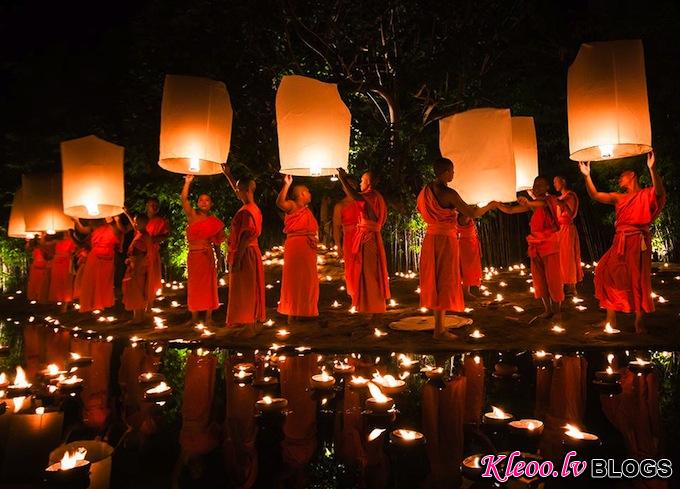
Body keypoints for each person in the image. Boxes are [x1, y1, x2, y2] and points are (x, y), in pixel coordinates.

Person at [579, 152, 666, 334]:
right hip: (620, 241)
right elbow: (595, 195)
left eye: (622, 176)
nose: (619, 179)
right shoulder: (619, 198)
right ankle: (611, 319)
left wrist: (652, 169)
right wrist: (587, 176)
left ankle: (639, 320)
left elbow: (659, 192)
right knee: (605, 271)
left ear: (632, 176)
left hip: (637, 241)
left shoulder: (645, 194)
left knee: (637, 279)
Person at [417, 158, 497, 340]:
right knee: (444, 280)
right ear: (445, 172)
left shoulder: (425, 191)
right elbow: (472, 213)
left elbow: (422, 211)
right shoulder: (449, 193)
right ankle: (439, 330)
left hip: (430, 239)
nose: (453, 174)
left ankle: (440, 325)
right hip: (445, 240)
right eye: (452, 171)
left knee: (435, 279)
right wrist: (491, 205)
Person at [498, 176, 563, 322]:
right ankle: (547, 310)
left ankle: (557, 310)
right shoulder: (534, 204)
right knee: (539, 279)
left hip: (550, 245)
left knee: (553, 278)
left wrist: (528, 201)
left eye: (541, 184)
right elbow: (510, 210)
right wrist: (496, 203)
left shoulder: (550, 200)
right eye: (535, 185)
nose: (537, 187)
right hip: (535, 245)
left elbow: (541, 204)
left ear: (547, 187)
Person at [336, 168, 390, 325]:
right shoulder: (374, 196)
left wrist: (342, 179)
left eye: (362, 180)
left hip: (369, 239)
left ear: (369, 183)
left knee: (370, 274)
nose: (360, 183)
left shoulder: (371, 196)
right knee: (367, 274)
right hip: (368, 237)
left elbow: (355, 196)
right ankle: (373, 310)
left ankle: (377, 311)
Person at [221, 164, 265, 337]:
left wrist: (238, 259)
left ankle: (249, 326)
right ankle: (247, 321)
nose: (236, 192)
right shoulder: (252, 207)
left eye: (239, 189)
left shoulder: (247, 212)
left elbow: (246, 237)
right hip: (249, 251)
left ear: (246, 190)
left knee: (247, 288)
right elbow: (239, 190)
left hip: (246, 253)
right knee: (244, 287)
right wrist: (228, 175)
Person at [181, 175, 225, 327]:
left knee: (209, 285)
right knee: (194, 285)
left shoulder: (214, 222)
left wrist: (219, 260)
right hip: (194, 256)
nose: (204, 202)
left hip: (207, 256)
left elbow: (218, 244)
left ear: (211, 204)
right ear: (197, 203)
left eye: (207, 200)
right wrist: (187, 182)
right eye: (201, 200)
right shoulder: (192, 215)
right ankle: (194, 316)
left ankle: (208, 317)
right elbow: (184, 200)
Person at [276, 175, 319, 324]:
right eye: (307, 191)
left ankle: (303, 311)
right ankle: (291, 314)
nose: (310, 193)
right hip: (296, 246)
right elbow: (280, 202)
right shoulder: (293, 206)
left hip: (307, 247)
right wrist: (287, 184)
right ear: (301, 194)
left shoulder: (306, 210)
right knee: (294, 279)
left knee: (307, 279)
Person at [73, 216, 124, 312]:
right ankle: (92, 304)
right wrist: (76, 221)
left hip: (107, 256)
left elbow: (120, 232)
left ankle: (102, 303)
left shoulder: (111, 226)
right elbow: (83, 230)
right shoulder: (93, 228)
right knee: (92, 279)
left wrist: (116, 221)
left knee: (104, 280)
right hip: (95, 256)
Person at [553, 176, 583, 295]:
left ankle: (571, 286)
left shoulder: (570, 196)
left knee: (568, 256)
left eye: (556, 181)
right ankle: (562, 283)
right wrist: (534, 197)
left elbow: (570, 213)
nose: (554, 184)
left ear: (563, 182)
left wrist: (559, 202)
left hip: (567, 229)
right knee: (559, 257)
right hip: (558, 230)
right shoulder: (559, 198)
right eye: (553, 182)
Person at [332, 175, 360, 298]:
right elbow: (336, 226)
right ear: (343, 188)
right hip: (349, 238)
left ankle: (364, 291)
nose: (350, 187)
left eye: (352, 185)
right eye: (347, 185)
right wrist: (338, 245)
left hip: (363, 236)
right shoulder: (340, 206)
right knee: (351, 266)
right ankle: (354, 293)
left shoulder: (362, 201)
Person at [122, 213, 152, 323]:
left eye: (137, 222)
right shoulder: (141, 234)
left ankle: (138, 318)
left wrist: (134, 269)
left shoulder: (142, 237)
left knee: (136, 292)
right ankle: (139, 316)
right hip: (138, 267)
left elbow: (139, 255)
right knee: (138, 291)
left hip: (137, 268)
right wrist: (127, 213)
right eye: (135, 222)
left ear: (144, 223)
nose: (135, 224)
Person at [143, 197, 170, 304]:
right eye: (151, 205)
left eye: (156, 205)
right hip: (140, 251)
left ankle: (149, 304)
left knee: (151, 278)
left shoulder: (161, 221)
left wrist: (153, 239)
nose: (154, 207)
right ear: (147, 206)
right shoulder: (141, 219)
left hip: (152, 251)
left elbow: (166, 235)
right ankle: (140, 304)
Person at [48, 230, 77, 312]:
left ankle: (65, 306)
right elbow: (46, 247)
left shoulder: (71, 241)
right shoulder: (57, 241)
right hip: (57, 263)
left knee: (66, 283)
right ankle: (57, 304)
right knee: (57, 282)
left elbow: (73, 251)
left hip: (66, 263)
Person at [457, 214, 483, 300]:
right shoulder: (464, 217)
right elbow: (470, 213)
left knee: (468, 268)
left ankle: (466, 291)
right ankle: (464, 292)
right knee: (466, 268)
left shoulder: (467, 215)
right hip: (466, 245)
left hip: (471, 244)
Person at [26, 233, 52, 304]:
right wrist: (28, 240)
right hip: (35, 268)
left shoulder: (46, 246)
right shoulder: (34, 247)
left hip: (43, 267)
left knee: (42, 284)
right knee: (35, 283)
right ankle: (36, 297)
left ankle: (42, 297)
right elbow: (28, 248)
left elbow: (49, 255)